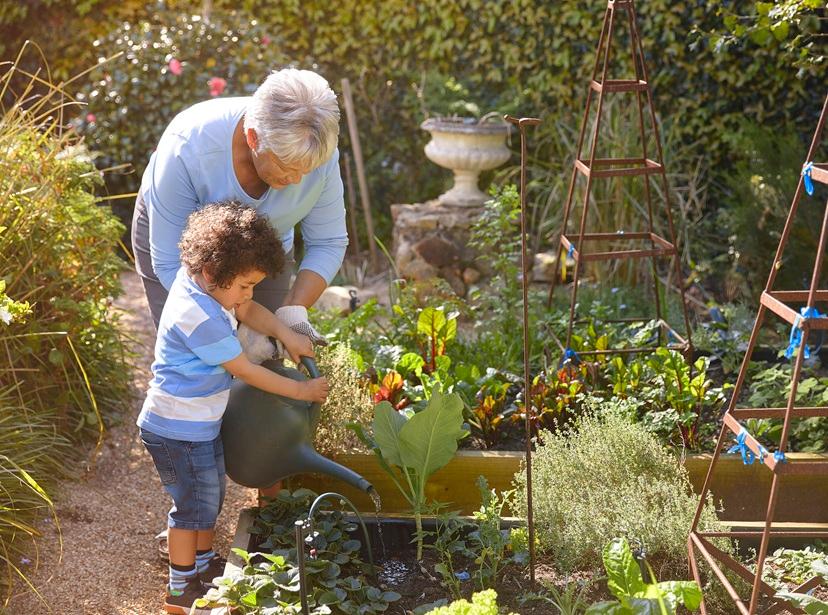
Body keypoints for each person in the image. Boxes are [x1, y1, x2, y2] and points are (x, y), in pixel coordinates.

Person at [130, 67, 346, 552]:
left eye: (306, 172)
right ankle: (192, 513)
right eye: (286, 170)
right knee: (204, 371)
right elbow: (172, 266)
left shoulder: (314, 152)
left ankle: (270, 505)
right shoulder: (190, 146)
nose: (297, 180)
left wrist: (290, 312)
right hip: (187, 257)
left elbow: (329, 240)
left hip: (263, 252)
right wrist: (227, 326)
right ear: (252, 137)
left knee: (267, 364)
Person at [138, 201, 330, 614]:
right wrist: (302, 392)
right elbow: (245, 370)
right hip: (176, 429)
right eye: (244, 284)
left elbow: (247, 309)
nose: (248, 294)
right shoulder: (198, 314)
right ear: (213, 272)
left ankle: (203, 568)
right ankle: (179, 589)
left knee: (209, 497)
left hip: (195, 424)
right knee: (191, 507)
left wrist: (285, 332)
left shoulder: (207, 286)